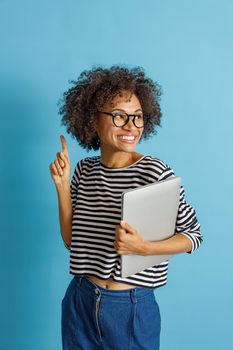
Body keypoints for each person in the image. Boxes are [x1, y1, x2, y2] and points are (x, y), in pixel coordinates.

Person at [49, 65, 202, 350]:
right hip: (80, 300)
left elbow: (193, 236)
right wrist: (61, 185)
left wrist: (145, 249)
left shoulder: (155, 173)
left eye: (138, 117)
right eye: (119, 116)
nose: (131, 127)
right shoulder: (85, 170)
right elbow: (73, 241)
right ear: (93, 120)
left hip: (130, 307)